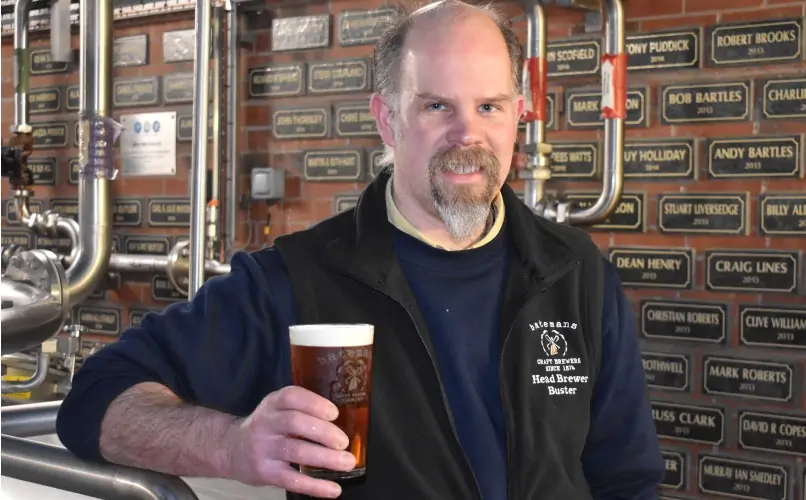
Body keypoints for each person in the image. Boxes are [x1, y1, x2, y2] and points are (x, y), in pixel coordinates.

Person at [56, 1, 665, 499]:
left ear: (517, 117)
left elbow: (626, 479)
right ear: (386, 120)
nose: (467, 134)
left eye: (489, 106)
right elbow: (95, 399)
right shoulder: (296, 280)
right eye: (436, 106)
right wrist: (231, 445)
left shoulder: (574, 272)